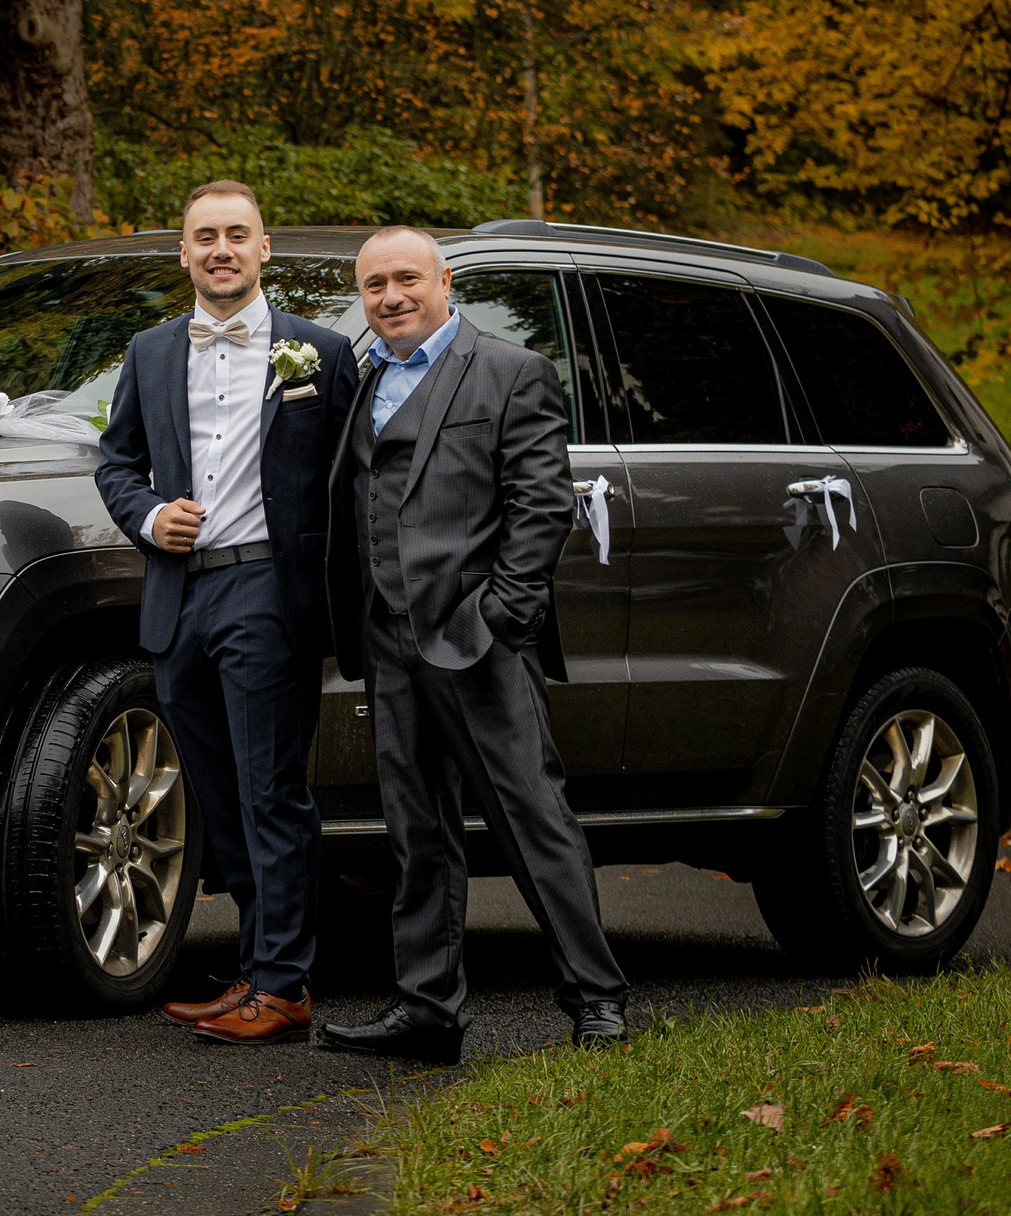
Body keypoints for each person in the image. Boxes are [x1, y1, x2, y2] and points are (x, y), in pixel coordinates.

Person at [318, 226, 627, 1064]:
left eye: (407, 278)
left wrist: (502, 618)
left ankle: (596, 998)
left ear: (444, 280)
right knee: (417, 835)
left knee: (534, 822)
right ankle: (428, 1009)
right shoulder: (367, 378)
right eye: (375, 284)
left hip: (479, 642)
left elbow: (541, 502)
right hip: (389, 643)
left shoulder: (509, 370)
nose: (391, 296)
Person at [94, 181, 357, 1044]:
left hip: (267, 593)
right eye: (204, 236)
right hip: (180, 595)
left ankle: (283, 985)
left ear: (264, 248)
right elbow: (117, 463)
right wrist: (146, 514)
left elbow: (355, 479)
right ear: (182, 252)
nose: (221, 249)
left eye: (236, 235)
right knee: (214, 792)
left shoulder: (317, 352)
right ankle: (257, 966)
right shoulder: (152, 350)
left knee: (270, 791)